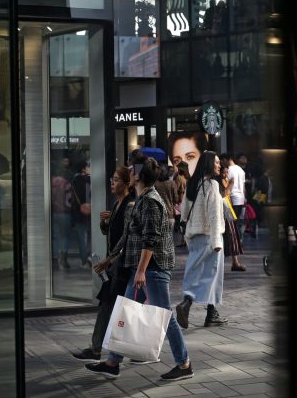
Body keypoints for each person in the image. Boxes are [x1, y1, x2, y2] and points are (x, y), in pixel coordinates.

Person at [86, 156, 193, 381]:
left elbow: (150, 239)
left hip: (154, 268)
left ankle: (184, 363)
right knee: (126, 311)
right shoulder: (142, 199)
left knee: (165, 315)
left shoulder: (150, 201)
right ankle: (113, 361)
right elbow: (128, 235)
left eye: (131, 170)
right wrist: (110, 259)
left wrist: (142, 270)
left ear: (138, 176)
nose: (128, 173)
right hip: (145, 268)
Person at [72, 166, 136, 362]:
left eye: (116, 179)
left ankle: (104, 349)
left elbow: (126, 238)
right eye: (112, 178)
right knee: (109, 306)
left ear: (126, 184)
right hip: (114, 265)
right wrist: (103, 223)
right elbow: (110, 234)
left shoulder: (129, 205)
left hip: (122, 266)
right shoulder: (117, 204)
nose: (112, 182)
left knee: (116, 307)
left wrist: (109, 260)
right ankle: (98, 348)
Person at [175, 151, 229, 328]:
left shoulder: (194, 183)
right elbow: (214, 215)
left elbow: (184, 212)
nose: (219, 165)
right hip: (209, 236)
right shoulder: (212, 185)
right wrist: (217, 242)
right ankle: (191, 304)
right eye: (217, 162)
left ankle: (205, 309)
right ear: (209, 164)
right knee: (212, 275)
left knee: (196, 273)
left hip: (195, 236)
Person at [222, 153, 247, 249]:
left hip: (232, 198)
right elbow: (243, 186)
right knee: (237, 222)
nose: (222, 163)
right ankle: (238, 240)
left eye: (223, 160)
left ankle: (234, 242)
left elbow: (227, 185)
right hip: (240, 198)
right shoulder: (240, 170)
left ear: (227, 159)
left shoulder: (229, 170)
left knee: (231, 223)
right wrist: (244, 198)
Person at [51, 162, 72, 269]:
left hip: (54, 213)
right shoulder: (66, 183)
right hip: (65, 213)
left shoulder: (51, 183)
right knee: (65, 236)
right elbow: (69, 200)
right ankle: (63, 258)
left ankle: (54, 258)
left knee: (55, 236)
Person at [70, 161, 92, 267]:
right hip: (90, 211)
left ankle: (84, 259)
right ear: (83, 169)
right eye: (88, 166)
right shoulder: (88, 179)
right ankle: (90, 256)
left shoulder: (74, 180)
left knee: (82, 237)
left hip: (78, 211)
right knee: (90, 236)